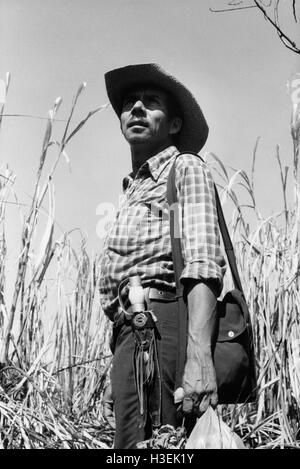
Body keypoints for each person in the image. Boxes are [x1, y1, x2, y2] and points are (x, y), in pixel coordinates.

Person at [99, 63, 226, 449]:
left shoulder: (184, 169)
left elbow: (202, 264)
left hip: (165, 332)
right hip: (132, 337)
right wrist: (118, 366)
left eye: (150, 102)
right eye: (128, 103)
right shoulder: (132, 190)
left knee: (157, 451)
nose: (136, 108)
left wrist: (199, 357)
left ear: (173, 125)